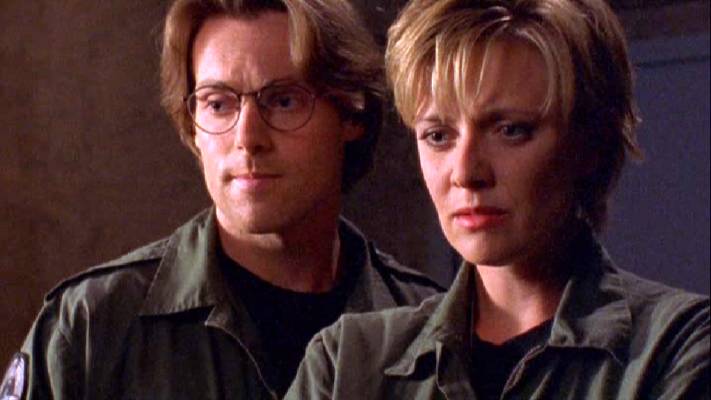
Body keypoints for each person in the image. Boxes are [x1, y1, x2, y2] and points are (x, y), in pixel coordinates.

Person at [9, 0, 444, 399]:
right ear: (192, 124)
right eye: (218, 104)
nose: (247, 138)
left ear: (351, 113)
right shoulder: (91, 328)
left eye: (283, 101)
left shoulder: (434, 328)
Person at [286, 0, 710, 398]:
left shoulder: (675, 346)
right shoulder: (347, 362)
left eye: (510, 130)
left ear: (589, 143)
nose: (466, 173)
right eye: (438, 136)